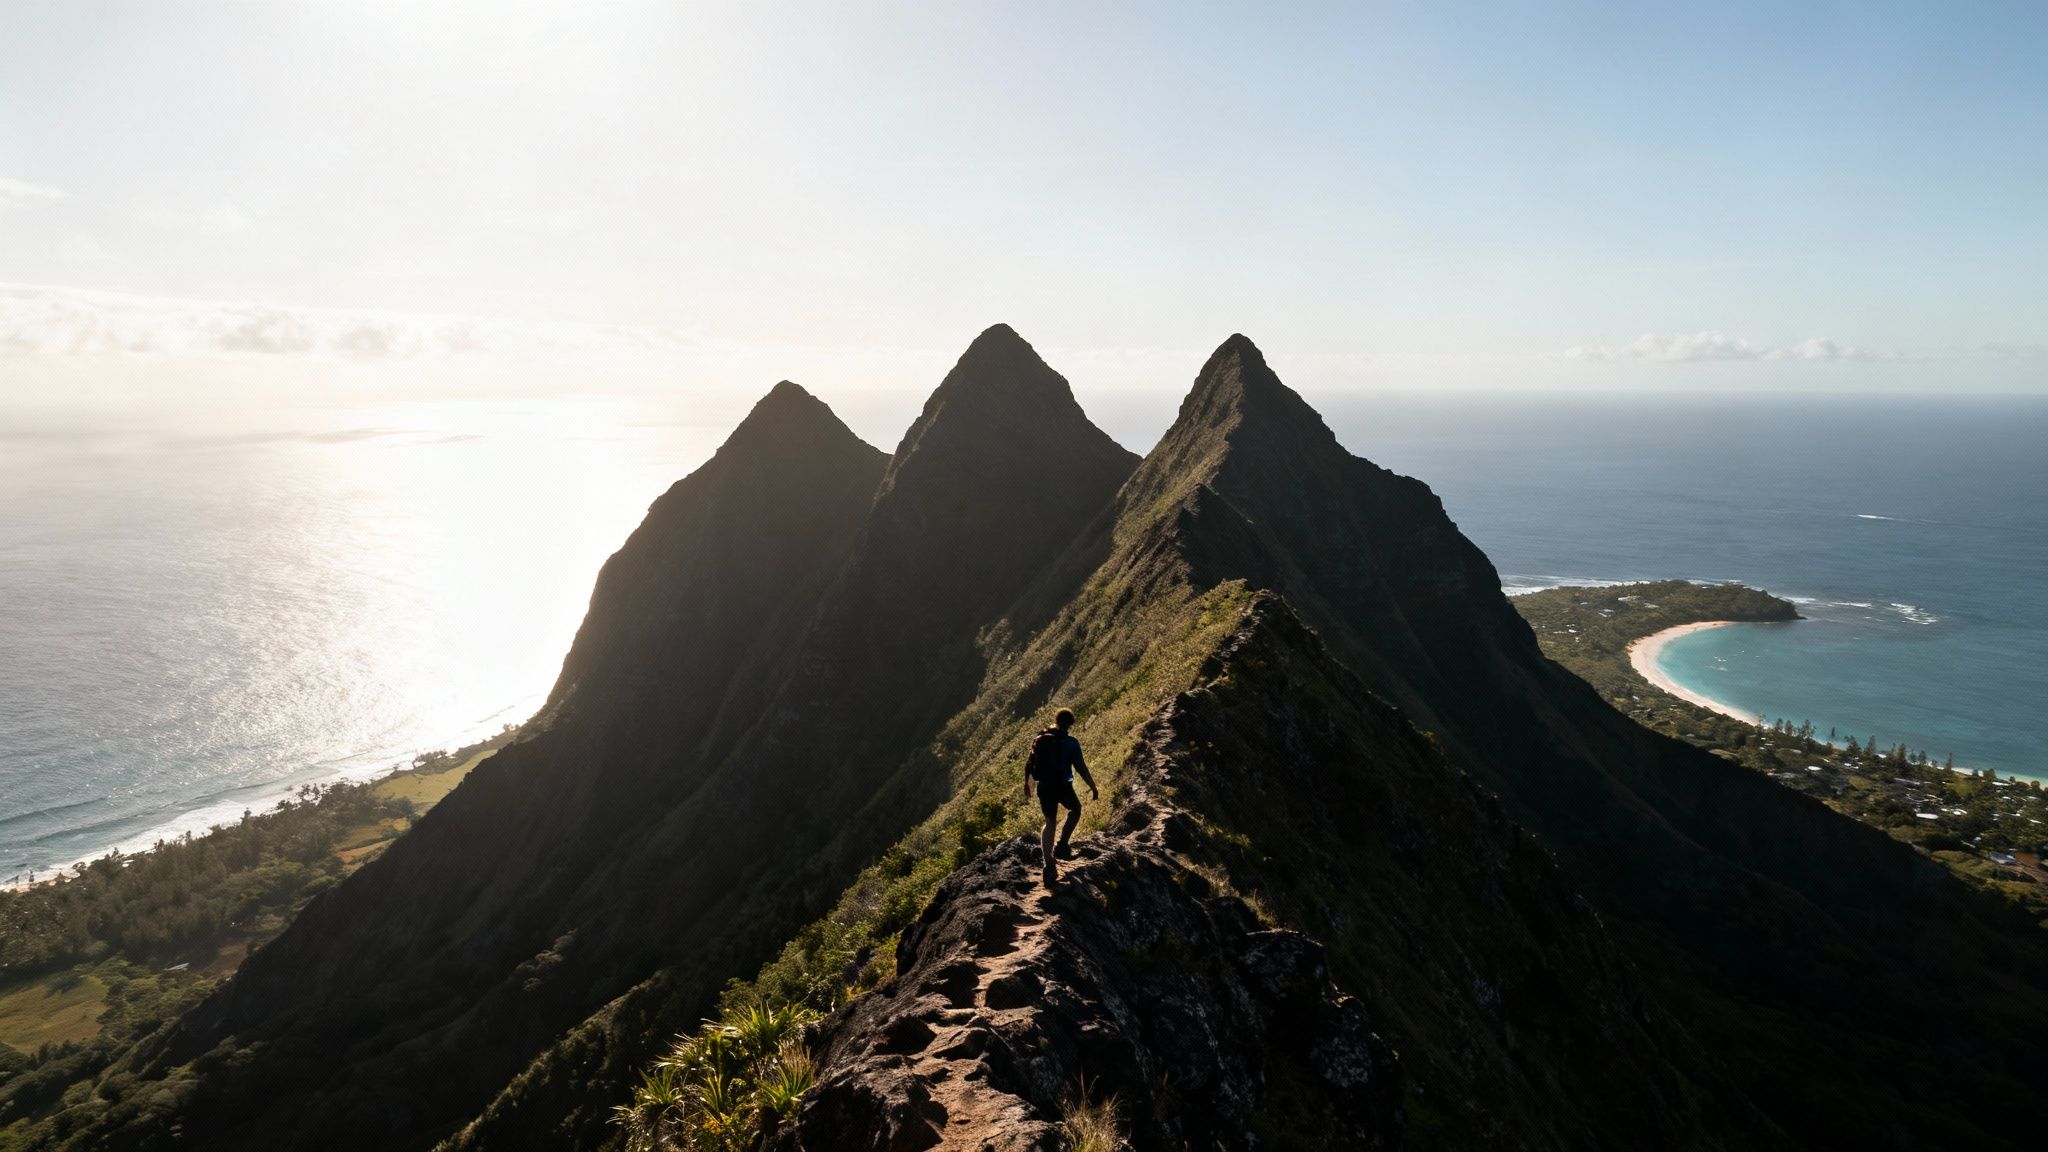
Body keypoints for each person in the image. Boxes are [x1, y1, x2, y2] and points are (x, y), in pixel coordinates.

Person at [1023, 708, 1097, 887]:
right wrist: (1093, 787)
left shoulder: (1041, 738)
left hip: (1045, 787)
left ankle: (1048, 862)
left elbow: (1030, 764)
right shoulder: (1071, 742)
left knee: (1050, 822)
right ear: (1070, 724)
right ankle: (1062, 845)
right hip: (1063, 786)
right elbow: (1080, 767)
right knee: (1075, 809)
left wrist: (1028, 784)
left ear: (1056, 720)